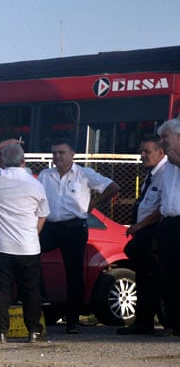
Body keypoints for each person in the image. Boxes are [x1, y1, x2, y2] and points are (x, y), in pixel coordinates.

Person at [38, 140, 119, 334]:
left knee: (74, 274)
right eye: (54, 153)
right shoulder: (45, 175)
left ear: (72, 154)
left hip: (74, 228)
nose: (57, 156)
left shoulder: (84, 174)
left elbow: (113, 187)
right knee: (29, 254)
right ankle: (41, 296)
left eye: (62, 152)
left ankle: (72, 320)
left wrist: (93, 203)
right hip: (50, 227)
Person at [0, 139, 48, 344]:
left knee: (0, 290)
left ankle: (0, 332)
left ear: (4, 161)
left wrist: (4, 143)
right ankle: (34, 331)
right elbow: (43, 215)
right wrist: (33, 234)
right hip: (28, 246)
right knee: (31, 291)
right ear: (24, 161)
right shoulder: (36, 184)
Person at [117, 138, 169, 335]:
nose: (143, 155)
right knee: (144, 277)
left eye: (147, 151)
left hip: (155, 231)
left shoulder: (165, 173)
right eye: (142, 151)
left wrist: (139, 226)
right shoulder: (152, 174)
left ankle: (163, 320)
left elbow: (161, 208)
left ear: (160, 152)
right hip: (144, 230)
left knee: (154, 277)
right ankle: (143, 321)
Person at [154, 118, 180, 334]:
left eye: (166, 137)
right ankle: (173, 321)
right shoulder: (166, 165)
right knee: (168, 275)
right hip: (168, 223)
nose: (162, 142)